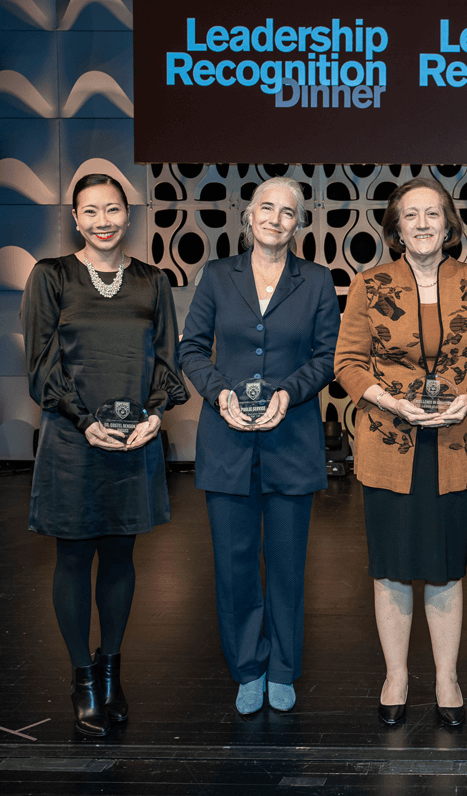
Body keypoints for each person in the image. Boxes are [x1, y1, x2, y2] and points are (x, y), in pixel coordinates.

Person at [334, 177, 467, 727]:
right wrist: (392, 403)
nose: (424, 224)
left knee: (445, 570)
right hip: (390, 442)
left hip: (455, 443)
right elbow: (348, 363)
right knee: (391, 570)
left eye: (433, 214)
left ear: (449, 224)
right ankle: (396, 676)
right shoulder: (370, 282)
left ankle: (447, 678)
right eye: (411, 215)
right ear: (396, 228)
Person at [21, 173, 188, 736]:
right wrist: (84, 421)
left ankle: (112, 670)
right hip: (73, 439)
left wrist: (156, 415)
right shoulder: (52, 276)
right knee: (73, 558)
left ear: (128, 215)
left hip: (134, 438)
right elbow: (41, 363)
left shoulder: (152, 281)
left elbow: (167, 358)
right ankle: (82, 678)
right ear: (75, 219)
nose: (103, 221)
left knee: (120, 557)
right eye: (91, 211)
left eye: (113, 209)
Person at [178, 176, 340, 715]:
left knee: (289, 567)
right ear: (249, 216)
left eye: (287, 211)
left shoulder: (316, 281)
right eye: (266, 208)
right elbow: (192, 350)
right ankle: (248, 667)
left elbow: (326, 357)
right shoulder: (217, 277)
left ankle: (283, 669)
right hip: (226, 443)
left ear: (300, 223)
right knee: (235, 564)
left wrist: (287, 394)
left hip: (291, 441)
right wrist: (220, 393)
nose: (275, 218)